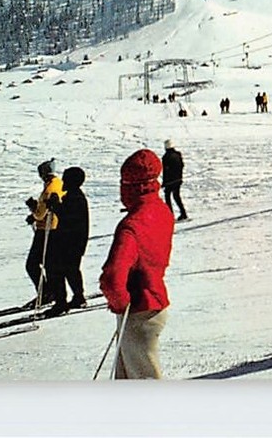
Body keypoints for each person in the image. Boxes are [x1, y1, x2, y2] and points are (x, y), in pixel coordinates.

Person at [100, 149, 175, 379]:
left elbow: (113, 277)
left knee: (143, 380)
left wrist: (120, 303)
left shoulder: (131, 225)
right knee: (128, 376)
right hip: (155, 302)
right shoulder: (162, 211)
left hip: (138, 309)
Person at [45, 166, 90, 315]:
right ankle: (78, 296)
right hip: (75, 241)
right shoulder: (75, 196)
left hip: (68, 241)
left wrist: (56, 205)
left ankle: (61, 302)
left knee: (56, 270)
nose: (63, 180)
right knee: (71, 270)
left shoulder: (74, 198)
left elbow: (68, 217)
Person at [24, 159, 63, 306]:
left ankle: (46, 292)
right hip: (55, 227)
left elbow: (40, 214)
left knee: (32, 264)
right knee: (47, 262)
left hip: (45, 229)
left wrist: (33, 210)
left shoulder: (49, 189)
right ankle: (50, 291)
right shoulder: (58, 183)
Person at [161, 140, 188, 222]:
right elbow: (182, 166)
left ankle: (170, 215)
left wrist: (164, 182)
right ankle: (183, 213)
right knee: (177, 196)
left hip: (170, 181)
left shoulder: (166, 157)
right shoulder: (178, 155)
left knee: (167, 197)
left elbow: (165, 171)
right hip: (178, 179)